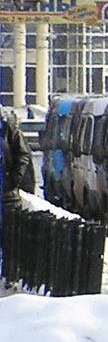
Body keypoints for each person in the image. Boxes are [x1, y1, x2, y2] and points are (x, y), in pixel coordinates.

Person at [3, 107, 36, 267]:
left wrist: (13, 179)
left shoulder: (7, 129)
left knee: (10, 240)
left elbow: (22, 155)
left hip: (6, 196)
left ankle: (10, 273)